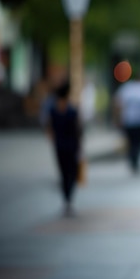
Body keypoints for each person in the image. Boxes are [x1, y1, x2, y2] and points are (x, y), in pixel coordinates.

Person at [46, 80, 82, 216]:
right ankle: (69, 199)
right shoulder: (72, 110)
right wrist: (80, 146)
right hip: (72, 145)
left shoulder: (53, 110)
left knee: (63, 172)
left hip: (59, 145)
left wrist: (54, 139)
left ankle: (66, 200)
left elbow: (49, 129)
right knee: (72, 173)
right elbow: (78, 129)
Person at [114, 71, 140, 175]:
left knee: (134, 142)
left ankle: (134, 160)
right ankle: (134, 160)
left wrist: (118, 118)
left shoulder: (126, 88)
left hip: (132, 120)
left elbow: (118, 104)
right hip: (137, 120)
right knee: (137, 142)